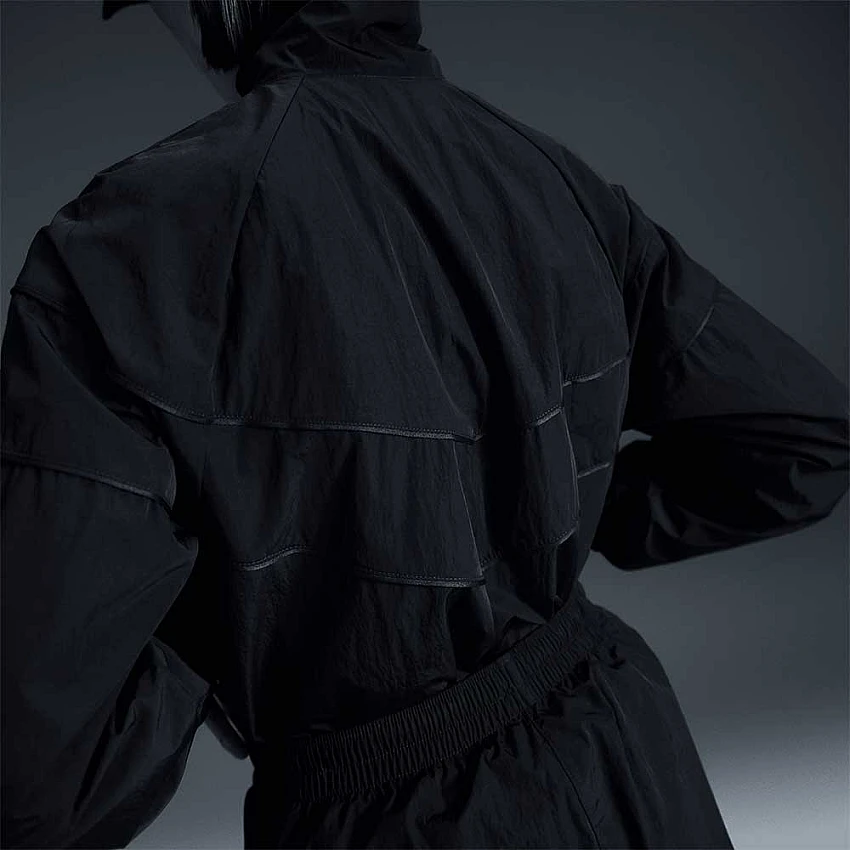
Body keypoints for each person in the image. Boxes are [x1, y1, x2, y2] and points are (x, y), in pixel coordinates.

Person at [1, 1, 847, 847]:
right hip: (629, 760)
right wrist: (550, 511)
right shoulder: (538, 165)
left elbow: (34, 783)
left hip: (387, 824)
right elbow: (806, 442)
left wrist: (221, 645)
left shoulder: (117, 255)